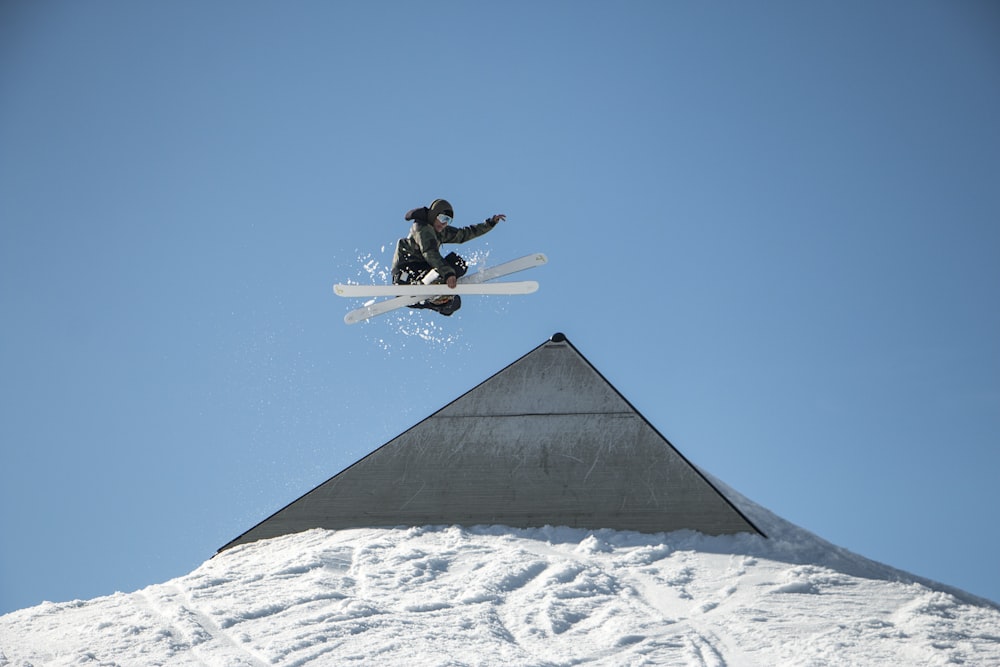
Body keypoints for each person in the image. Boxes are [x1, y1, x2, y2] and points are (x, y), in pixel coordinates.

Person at [391, 198, 505, 315]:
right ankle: (427, 289)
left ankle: (436, 299)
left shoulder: (440, 231)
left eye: (448, 220)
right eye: (442, 218)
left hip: (422, 273)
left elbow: (463, 234)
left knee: (455, 299)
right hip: (406, 274)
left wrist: (489, 224)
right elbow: (430, 252)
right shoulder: (422, 228)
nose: (444, 223)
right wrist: (448, 273)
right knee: (453, 266)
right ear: (434, 215)